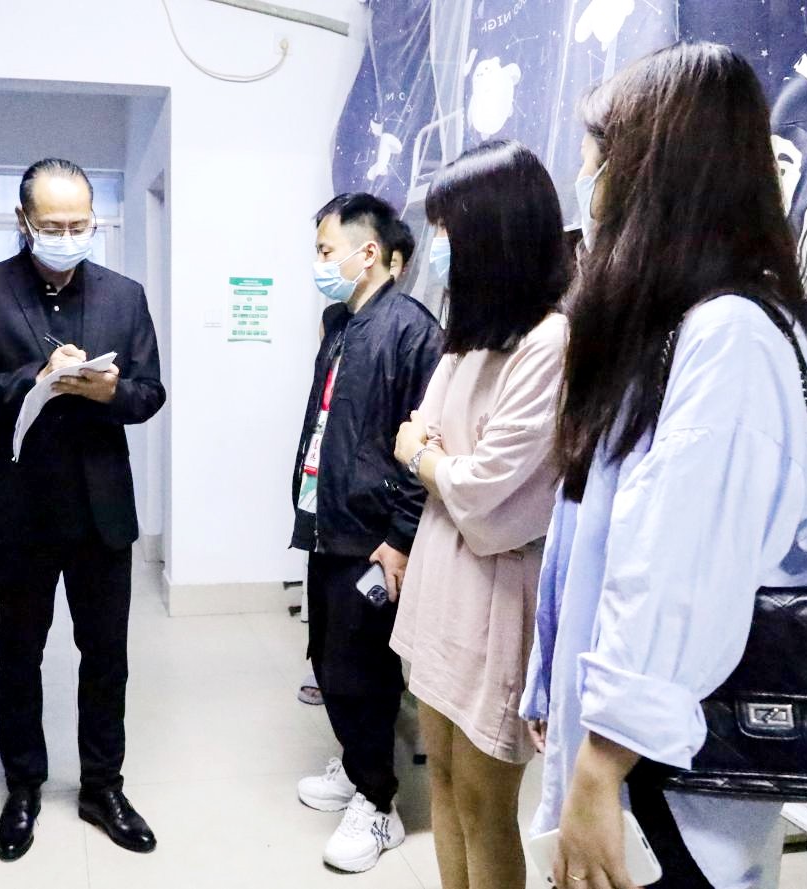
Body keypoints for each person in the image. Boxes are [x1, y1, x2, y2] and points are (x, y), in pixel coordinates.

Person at [521, 43, 807, 889]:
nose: (584, 182)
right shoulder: (676, 332)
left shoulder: (728, 338)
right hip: (639, 765)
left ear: (652, 173)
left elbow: (673, 580)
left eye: (593, 158)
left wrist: (598, 770)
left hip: (665, 793)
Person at [0, 158, 166, 861]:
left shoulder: (124, 296)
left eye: (79, 224)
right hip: (22, 508)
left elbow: (149, 392)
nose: (67, 236)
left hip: (102, 510)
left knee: (106, 657)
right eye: (53, 225)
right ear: (24, 221)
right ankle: (22, 785)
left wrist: (108, 392)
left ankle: (103, 786)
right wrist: (34, 379)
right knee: (19, 655)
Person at [389, 140, 568, 889]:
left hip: (495, 598)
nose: (438, 246)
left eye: (447, 229)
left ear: (493, 234)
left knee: (486, 803)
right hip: (441, 581)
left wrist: (430, 462)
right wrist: (440, 466)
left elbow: (484, 498)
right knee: (442, 783)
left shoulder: (550, 343)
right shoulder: (467, 340)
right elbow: (422, 436)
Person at [292, 193, 441, 873]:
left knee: (362, 672)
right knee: (327, 657)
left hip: (373, 535)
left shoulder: (411, 331)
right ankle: (357, 766)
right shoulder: (340, 324)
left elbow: (424, 443)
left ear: (369, 252)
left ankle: (379, 804)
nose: (320, 262)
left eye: (327, 250)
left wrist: (402, 535)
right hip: (328, 523)